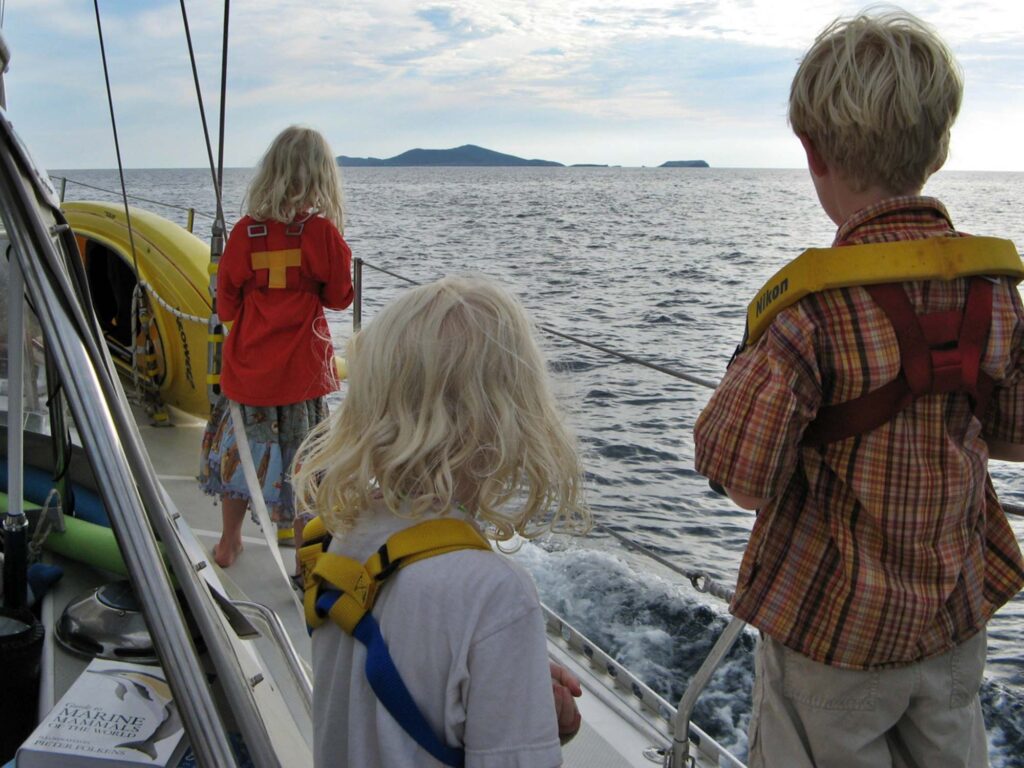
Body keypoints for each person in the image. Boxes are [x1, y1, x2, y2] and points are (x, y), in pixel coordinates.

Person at [693, 10, 1024, 768]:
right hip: (951, 621)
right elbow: (1015, 434)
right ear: (938, 150)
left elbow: (741, 478)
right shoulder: (996, 291)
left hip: (833, 636)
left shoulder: (807, 310)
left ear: (812, 153)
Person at [291, 276, 591, 766]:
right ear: (511, 417)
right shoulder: (496, 594)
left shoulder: (333, 536)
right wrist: (527, 707)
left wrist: (508, 677)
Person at [199, 125, 354, 571]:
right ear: (322, 176)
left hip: (248, 372)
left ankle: (229, 543)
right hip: (301, 376)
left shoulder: (245, 233)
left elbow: (226, 300)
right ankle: (306, 563)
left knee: (241, 456)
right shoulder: (322, 234)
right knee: (305, 465)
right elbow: (340, 296)